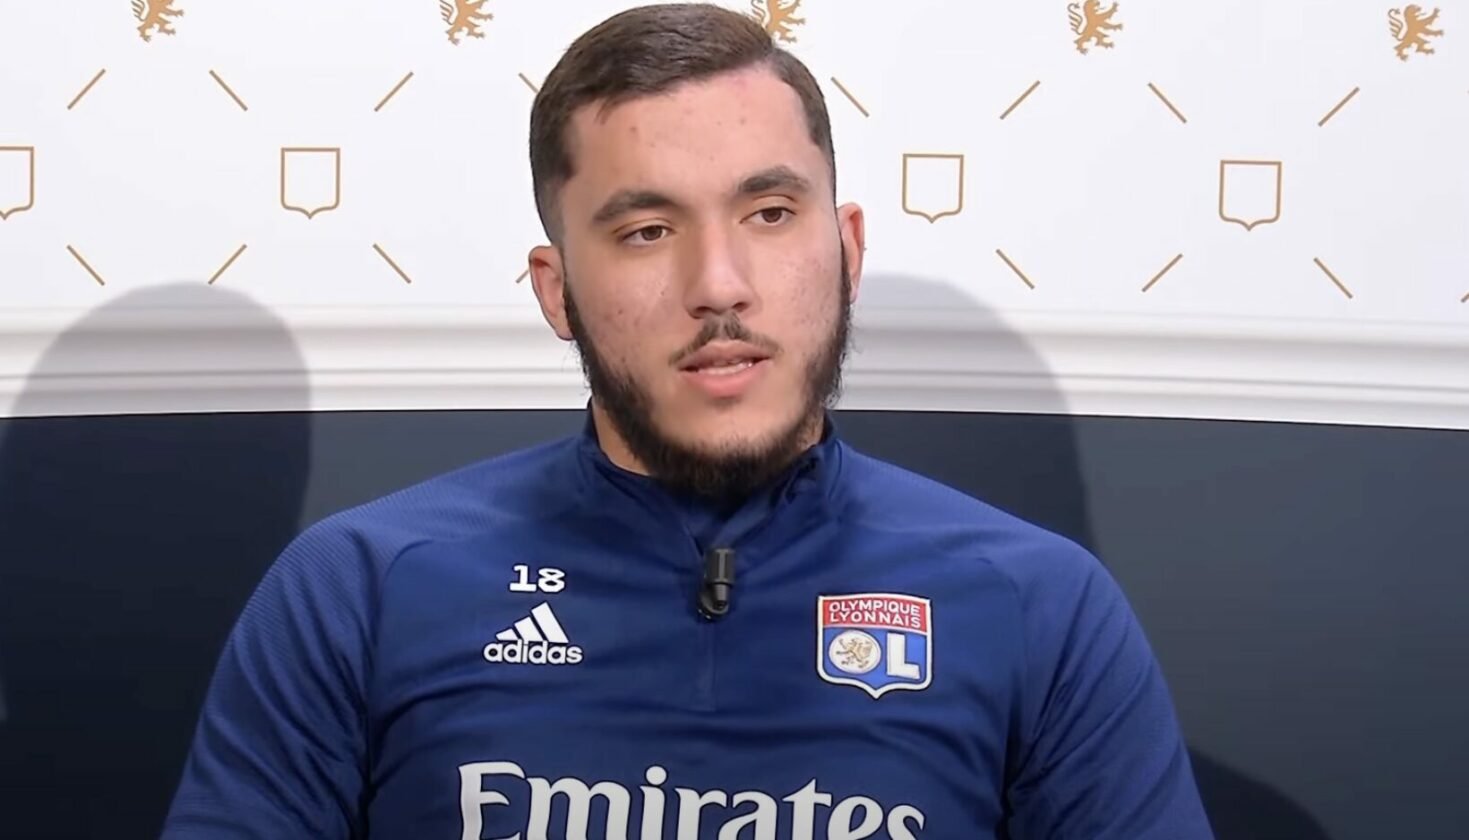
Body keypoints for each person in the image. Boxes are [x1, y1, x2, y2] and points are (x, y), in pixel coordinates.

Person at [160, 3, 1215, 837]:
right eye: (646, 230)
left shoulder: (1039, 605)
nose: (719, 284)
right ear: (557, 291)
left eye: (769, 214)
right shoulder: (358, 588)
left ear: (845, 250)